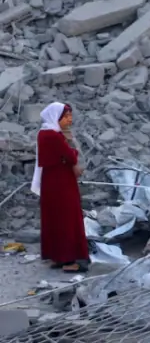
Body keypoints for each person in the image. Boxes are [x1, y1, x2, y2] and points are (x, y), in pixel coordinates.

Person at [31, 103, 89, 273]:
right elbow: (70, 155)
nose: (69, 120)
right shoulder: (53, 136)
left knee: (55, 218)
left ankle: (58, 256)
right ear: (55, 117)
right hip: (62, 182)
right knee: (68, 218)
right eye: (66, 117)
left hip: (52, 181)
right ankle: (71, 258)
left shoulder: (44, 133)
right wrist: (71, 144)